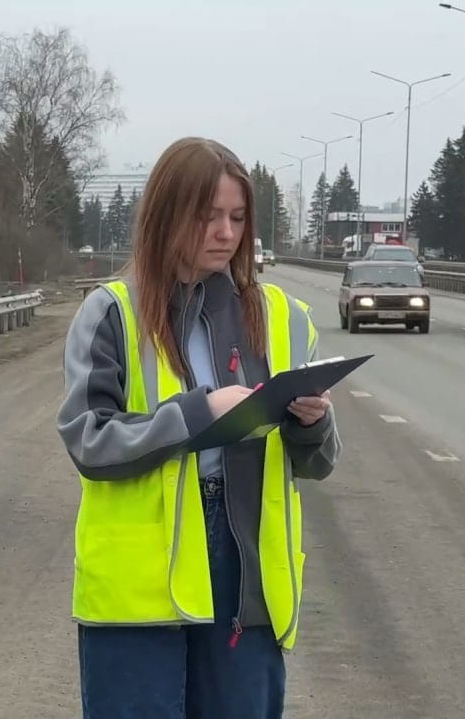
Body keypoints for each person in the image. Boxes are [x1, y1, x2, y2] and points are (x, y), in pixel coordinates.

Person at [56, 137, 341, 719]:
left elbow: (318, 463)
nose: (226, 233)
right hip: (139, 588)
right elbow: (89, 440)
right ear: (167, 214)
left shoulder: (285, 318)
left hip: (245, 578)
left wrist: (313, 424)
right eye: (208, 216)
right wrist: (197, 415)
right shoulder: (113, 312)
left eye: (237, 217)